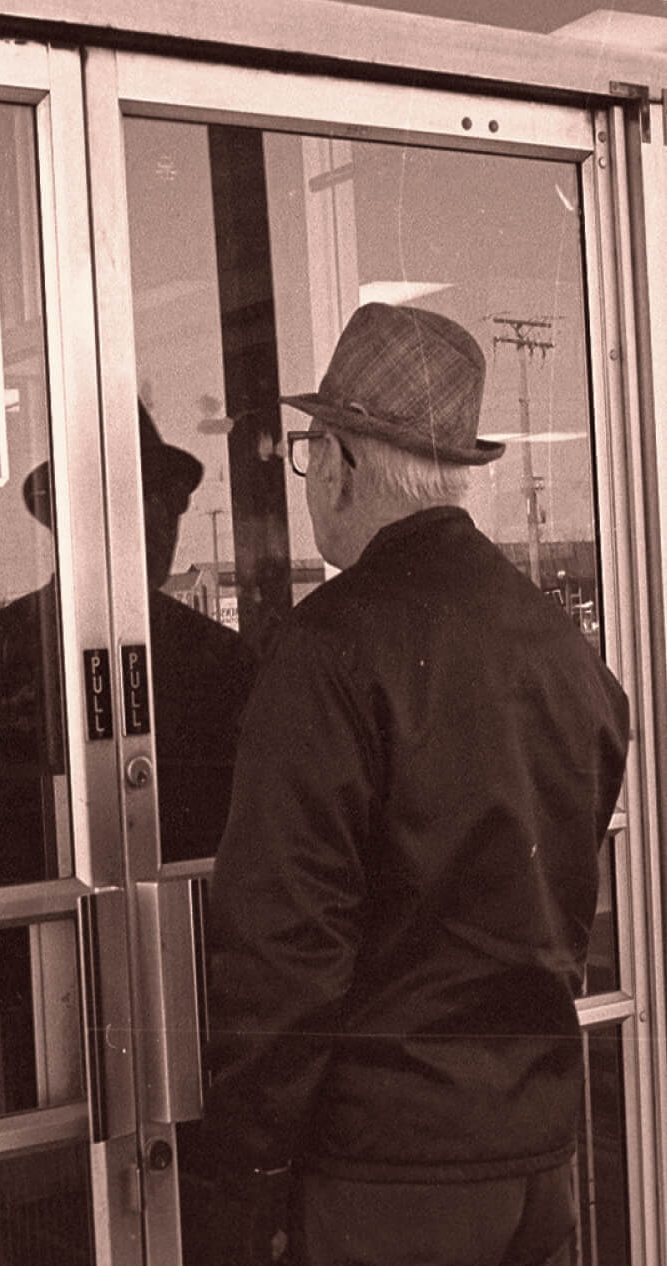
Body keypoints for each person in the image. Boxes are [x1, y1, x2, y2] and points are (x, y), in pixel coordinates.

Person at [200, 303, 630, 1266]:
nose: (309, 484)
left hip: (383, 1181)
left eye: (312, 455)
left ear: (347, 461)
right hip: (535, 1163)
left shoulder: (329, 649)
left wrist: (247, 1176)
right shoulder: (567, 653)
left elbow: (283, 949)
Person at [0, 403, 255, 1108]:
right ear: (67, 523)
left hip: (190, 1046)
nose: (155, 523)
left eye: (163, 502)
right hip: (27, 1046)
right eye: (127, 502)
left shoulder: (225, 667)